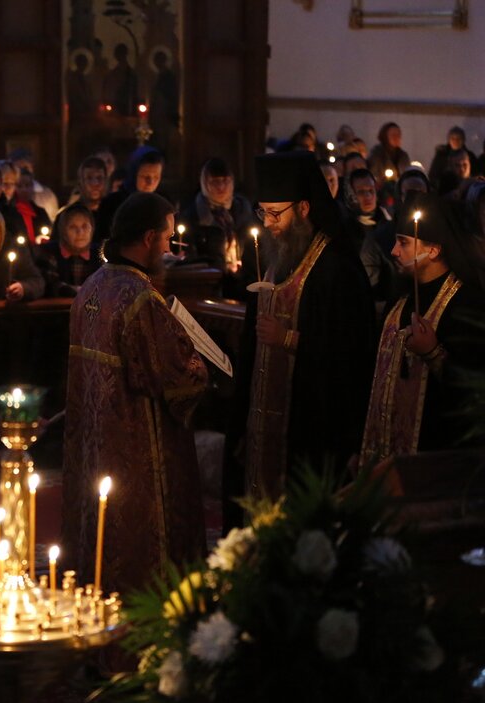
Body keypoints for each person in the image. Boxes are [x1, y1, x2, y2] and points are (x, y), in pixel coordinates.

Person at [62, 192, 208, 593]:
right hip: (137, 455)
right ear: (147, 238)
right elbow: (179, 378)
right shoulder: (139, 298)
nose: (170, 246)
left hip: (95, 450)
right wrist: (202, 365)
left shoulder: (90, 288)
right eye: (167, 237)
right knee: (141, 551)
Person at [225, 152, 376, 525]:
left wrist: (290, 339)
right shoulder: (275, 260)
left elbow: (352, 353)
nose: (270, 224)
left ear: (305, 207)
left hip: (311, 423)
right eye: (263, 214)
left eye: (277, 213)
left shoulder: (337, 268)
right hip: (265, 418)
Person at [359, 192, 485, 467]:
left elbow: (474, 392)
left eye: (403, 243)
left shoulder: (467, 305)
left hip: (435, 461)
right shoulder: (399, 300)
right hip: (382, 457)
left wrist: (433, 352)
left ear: (434, 249)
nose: (393, 251)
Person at [176, 157, 256, 298]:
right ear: (204, 183)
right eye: (215, 182)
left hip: (244, 284)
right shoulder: (194, 216)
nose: (221, 187)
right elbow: (191, 258)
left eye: (225, 181)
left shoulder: (244, 210)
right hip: (211, 286)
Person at [346, 167, 397, 314]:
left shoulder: (389, 223)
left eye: (371, 191)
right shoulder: (346, 230)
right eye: (361, 192)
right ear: (351, 195)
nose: (368, 196)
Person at [94, 148, 169, 242]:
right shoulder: (111, 204)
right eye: (145, 176)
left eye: (156, 177)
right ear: (133, 174)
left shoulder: (164, 204)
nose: (150, 182)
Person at [36, 203, 99, 297]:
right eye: (73, 227)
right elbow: (51, 285)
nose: (80, 232)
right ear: (63, 231)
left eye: (85, 226)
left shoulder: (99, 254)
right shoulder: (49, 252)